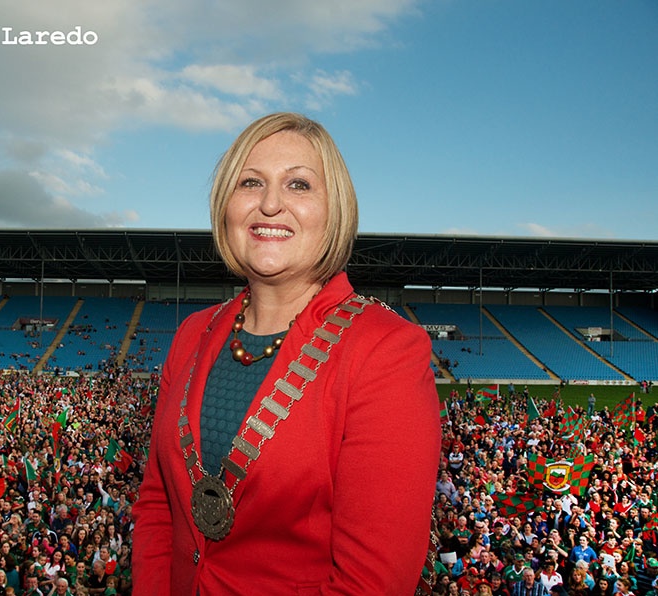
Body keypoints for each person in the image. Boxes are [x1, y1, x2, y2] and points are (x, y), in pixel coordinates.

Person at [132, 112, 441, 593]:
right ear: (225, 205)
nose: (270, 204)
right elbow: (157, 504)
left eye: (299, 185)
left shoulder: (385, 348)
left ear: (333, 209)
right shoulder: (192, 333)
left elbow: (371, 580)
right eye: (250, 182)